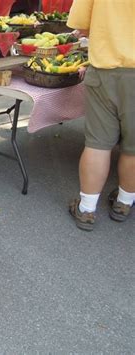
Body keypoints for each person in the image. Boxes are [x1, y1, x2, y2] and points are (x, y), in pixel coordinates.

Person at [67, 0, 134, 231]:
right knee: (133, 147)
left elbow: (81, 25)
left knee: (98, 144)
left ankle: (86, 209)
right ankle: (124, 203)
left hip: (105, 69)